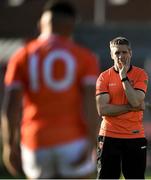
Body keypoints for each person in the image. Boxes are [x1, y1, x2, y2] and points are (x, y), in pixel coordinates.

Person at [1, 1, 100, 179]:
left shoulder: (22, 56)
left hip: (36, 142)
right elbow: (90, 103)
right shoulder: (84, 57)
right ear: (71, 27)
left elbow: (11, 106)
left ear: (41, 25)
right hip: (72, 140)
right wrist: (93, 140)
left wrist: (9, 144)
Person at [96, 36, 148, 179]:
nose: (121, 56)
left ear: (130, 53)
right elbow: (103, 110)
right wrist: (131, 107)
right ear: (111, 55)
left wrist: (123, 76)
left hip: (135, 136)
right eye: (117, 53)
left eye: (124, 52)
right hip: (109, 136)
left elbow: (136, 101)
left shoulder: (140, 74)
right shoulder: (103, 77)